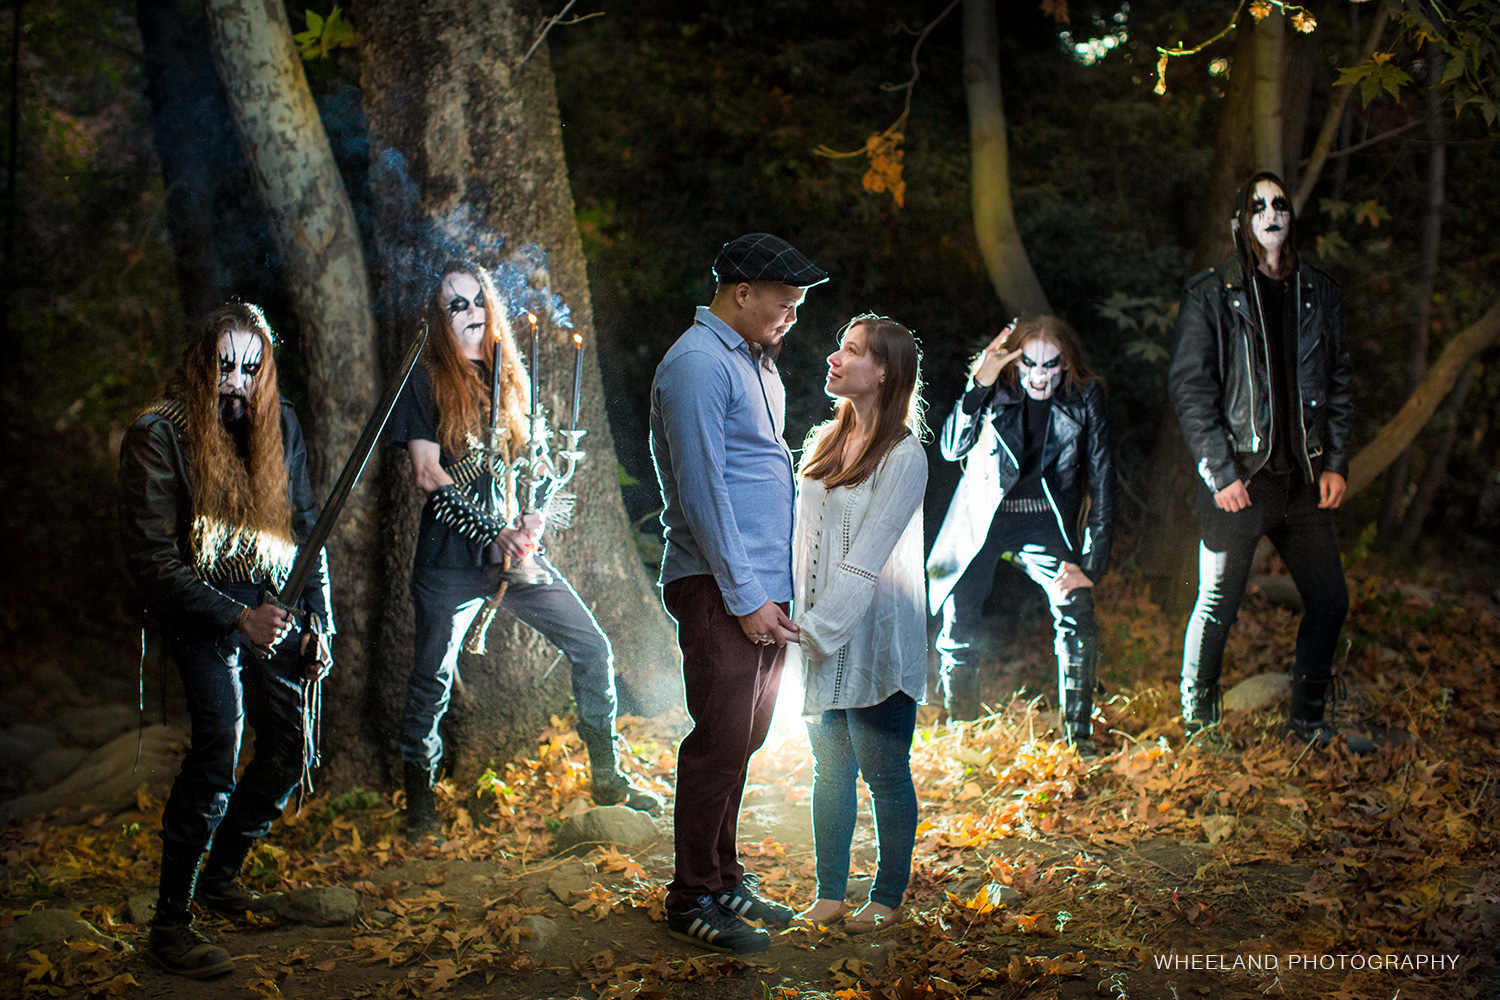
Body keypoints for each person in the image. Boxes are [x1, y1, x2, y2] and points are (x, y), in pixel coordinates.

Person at [385, 264, 661, 833]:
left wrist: (535, 509)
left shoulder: (509, 378)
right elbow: (427, 474)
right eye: (453, 304)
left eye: (477, 299)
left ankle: (607, 775)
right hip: (449, 563)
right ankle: (420, 806)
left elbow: (535, 464)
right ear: (438, 319)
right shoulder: (426, 378)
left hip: (515, 558)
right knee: (431, 681)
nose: (468, 312)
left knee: (593, 647)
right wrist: (493, 530)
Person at [118, 303, 334, 979]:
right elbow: (153, 561)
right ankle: (168, 927)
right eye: (224, 365)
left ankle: (224, 875)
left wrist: (317, 619)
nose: (236, 381)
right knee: (217, 753)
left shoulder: (281, 424)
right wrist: (234, 619)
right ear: (201, 364)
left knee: (288, 748)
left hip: (272, 604)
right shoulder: (159, 436)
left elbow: (305, 531)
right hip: (200, 609)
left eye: (250, 367)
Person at [649, 233, 828, 954]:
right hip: (719, 584)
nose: (790, 321)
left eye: (797, 310)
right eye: (783, 306)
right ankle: (689, 895)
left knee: (745, 739)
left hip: (761, 585)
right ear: (741, 291)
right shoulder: (696, 364)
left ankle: (723, 879)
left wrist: (777, 589)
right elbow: (703, 491)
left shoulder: (753, 362)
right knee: (719, 739)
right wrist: (747, 595)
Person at [1170, 172, 1371, 752]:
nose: (1270, 212)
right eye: (1257, 205)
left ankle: (1308, 723)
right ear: (1242, 220)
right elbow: (1190, 388)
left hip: (1303, 482)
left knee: (1330, 600)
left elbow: (1337, 380)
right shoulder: (1212, 293)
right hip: (1242, 481)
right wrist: (1219, 470)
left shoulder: (1318, 292)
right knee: (1216, 606)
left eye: (1279, 203)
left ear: (1291, 215)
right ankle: (1198, 726)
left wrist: (1336, 461)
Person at [790, 315, 927, 934]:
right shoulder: (824, 438)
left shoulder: (904, 455)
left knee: (885, 773)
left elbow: (867, 559)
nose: (835, 358)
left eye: (851, 350)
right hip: (816, 634)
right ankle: (828, 893)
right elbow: (801, 544)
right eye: (838, 345)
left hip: (874, 641)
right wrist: (797, 621)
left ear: (884, 372)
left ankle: (889, 895)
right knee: (830, 771)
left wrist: (817, 632)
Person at [927, 315, 1116, 752]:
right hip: (983, 517)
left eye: (1051, 365)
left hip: (1043, 519)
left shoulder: (1085, 398)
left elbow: (1104, 480)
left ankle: (1079, 738)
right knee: (959, 617)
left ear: (1066, 365)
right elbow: (952, 447)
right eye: (1030, 362)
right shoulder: (996, 387)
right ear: (1016, 361)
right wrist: (979, 384)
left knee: (1077, 603)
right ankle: (963, 733)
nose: (1040, 374)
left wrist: (1091, 563)